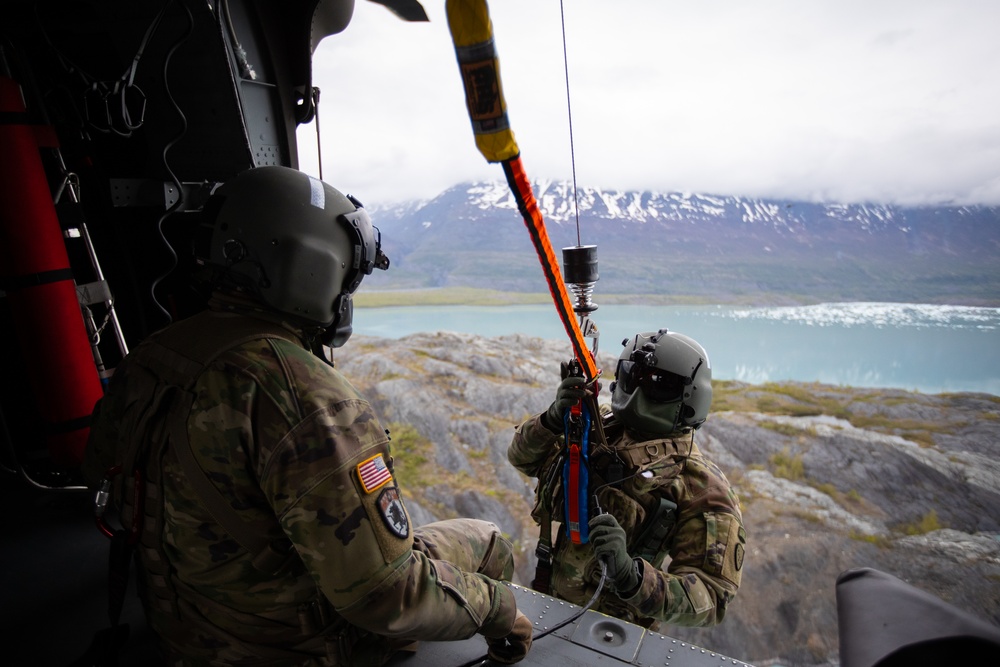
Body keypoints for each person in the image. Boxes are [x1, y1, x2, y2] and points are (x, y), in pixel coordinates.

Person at [83, 166, 532, 666]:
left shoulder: (154, 354)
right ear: (310, 267)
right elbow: (387, 596)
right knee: (486, 540)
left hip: (187, 631)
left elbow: (99, 471)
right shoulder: (306, 398)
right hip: (286, 650)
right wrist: (500, 609)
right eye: (346, 276)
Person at [507, 329, 746, 630]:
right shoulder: (594, 426)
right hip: (550, 604)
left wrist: (632, 576)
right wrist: (552, 419)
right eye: (633, 376)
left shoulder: (700, 487)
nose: (638, 393)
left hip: (616, 633)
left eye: (659, 384)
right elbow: (522, 458)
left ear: (690, 398)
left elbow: (711, 597)